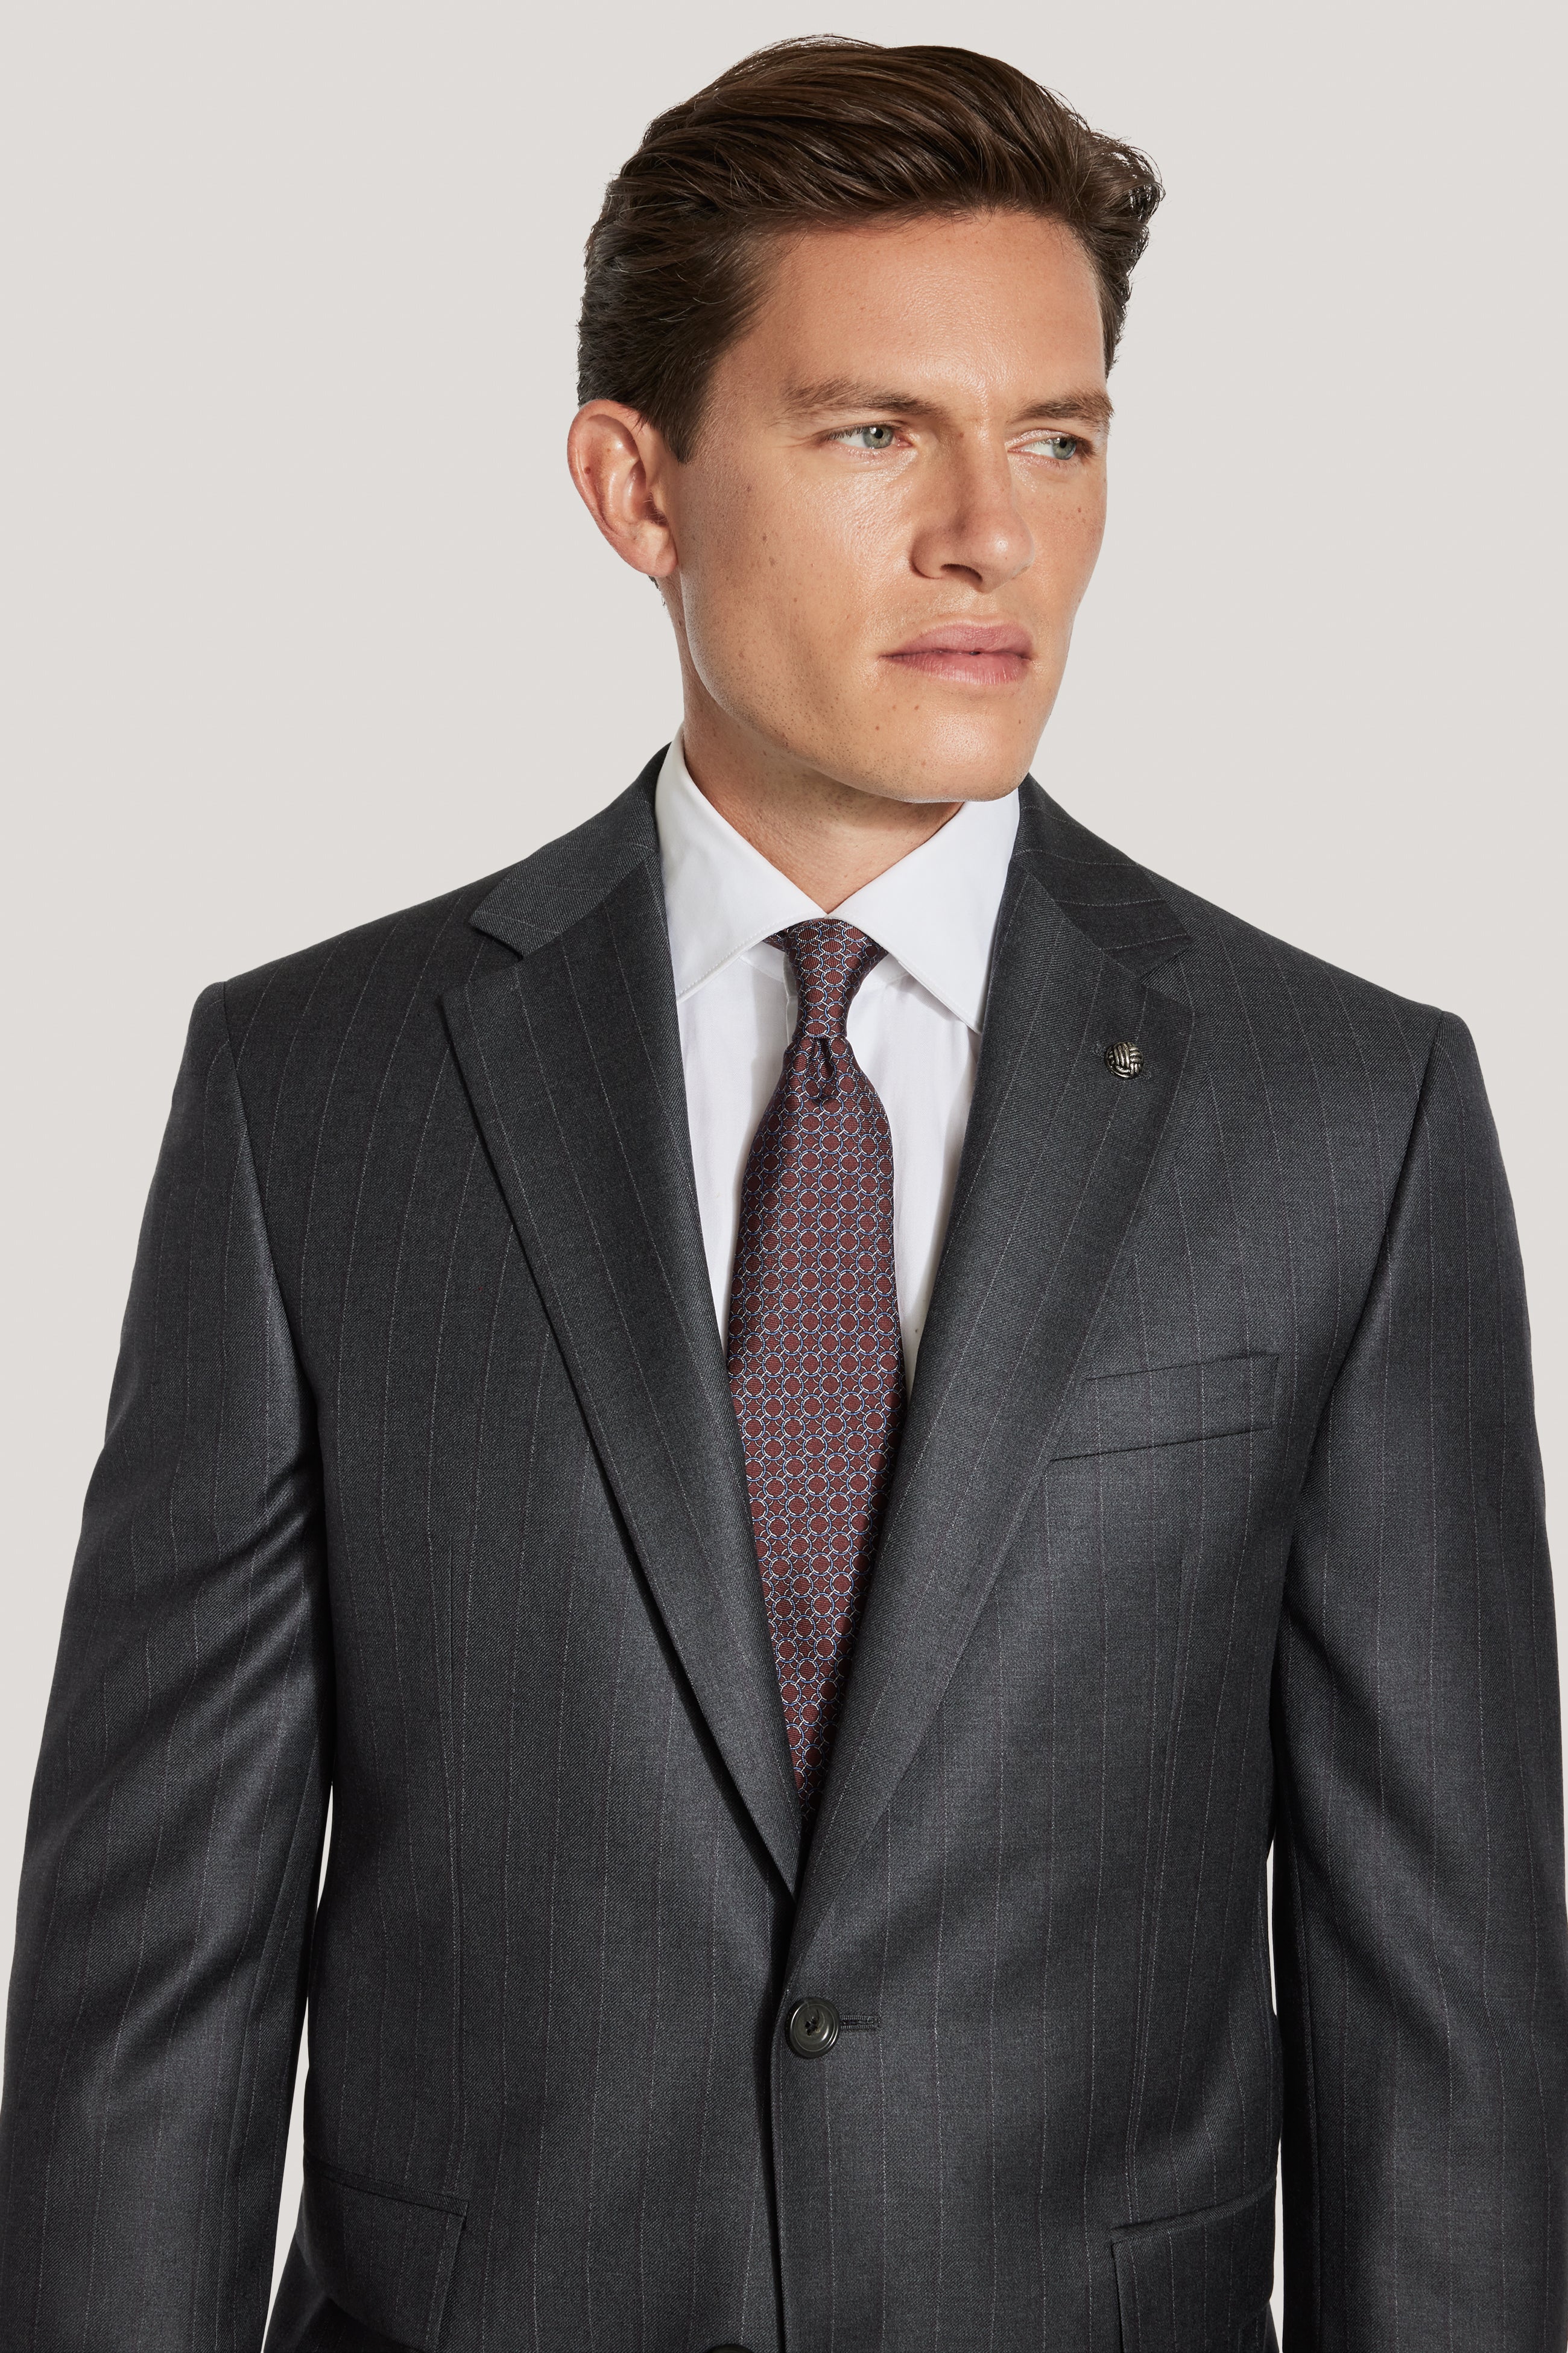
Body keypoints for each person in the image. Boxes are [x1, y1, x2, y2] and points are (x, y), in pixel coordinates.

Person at [1, 34, 1563, 2353]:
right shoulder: (314, 1094)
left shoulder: (1348, 1113)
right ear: (637, 487)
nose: (990, 537)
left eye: (1058, 439)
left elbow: (1445, 2030)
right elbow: (153, 1993)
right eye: (874, 435)